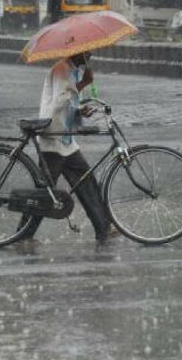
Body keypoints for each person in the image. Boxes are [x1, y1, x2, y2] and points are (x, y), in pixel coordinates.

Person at [19, 51, 116, 242]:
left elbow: (71, 102)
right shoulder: (60, 70)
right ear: (76, 51)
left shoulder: (73, 70)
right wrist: (82, 85)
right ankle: (23, 234)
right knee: (45, 193)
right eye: (87, 53)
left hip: (66, 140)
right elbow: (59, 102)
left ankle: (103, 228)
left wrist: (81, 109)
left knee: (87, 182)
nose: (90, 56)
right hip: (53, 138)